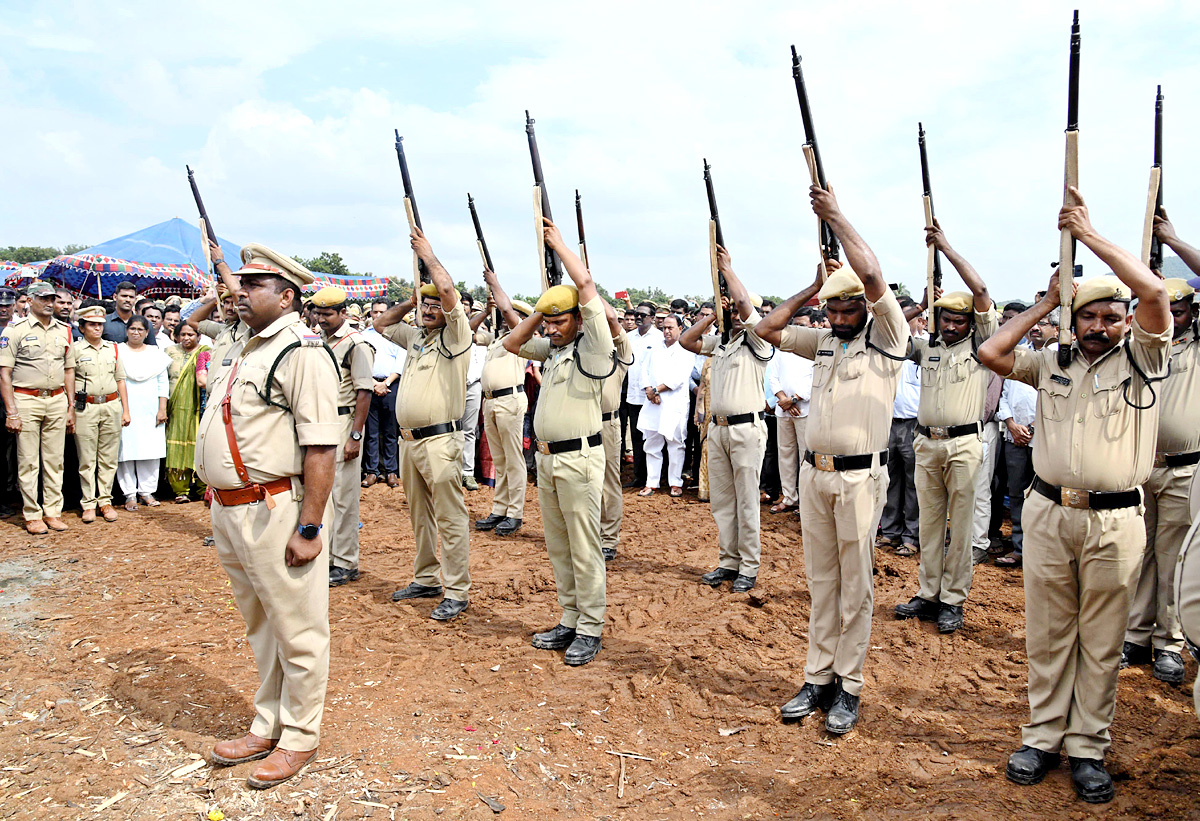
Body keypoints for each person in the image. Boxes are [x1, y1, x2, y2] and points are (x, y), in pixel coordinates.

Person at [978, 187, 1169, 804]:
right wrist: (1046, 303)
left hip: (1116, 522)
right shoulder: (1051, 361)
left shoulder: (1143, 357)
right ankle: (1041, 735)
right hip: (1049, 512)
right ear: (1074, 319)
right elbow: (990, 351)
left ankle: (1089, 746)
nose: (1099, 327)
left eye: (1110, 317)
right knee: (1050, 631)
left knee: (1103, 635)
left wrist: (1089, 238)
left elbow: (1156, 294)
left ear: (1125, 323)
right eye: (1088, 317)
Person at [757, 183, 910, 736]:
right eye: (835, 307)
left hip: (860, 479)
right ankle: (817, 676)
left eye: (850, 306)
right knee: (822, 582)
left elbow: (872, 277)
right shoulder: (822, 341)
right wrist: (811, 288)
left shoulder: (888, 337)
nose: (843, 314)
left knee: (856, 587)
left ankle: (850, 684)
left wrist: (837, 217)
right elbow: (767, 329)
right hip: (815, 475)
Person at [199, 242, 338, 789]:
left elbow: (321, 447)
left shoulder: (300, 351)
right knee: (261, 627)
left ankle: (300, 735)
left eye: (253, 284)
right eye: (241, 282)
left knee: (299, 630)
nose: (240, 291)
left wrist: (309, 527)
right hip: (232, 511)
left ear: (286, 297)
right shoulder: (247, 349)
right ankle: (269, 720)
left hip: (275, 508)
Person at [501, 217, 614, 666]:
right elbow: (511, 343)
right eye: (547, 323)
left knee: (584, 545)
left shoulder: (593, 346)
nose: (551, 328)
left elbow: (585, 284)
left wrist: (560, 245)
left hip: (580, 460)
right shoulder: (554, 348)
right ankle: (570, 616)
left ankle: (590, 626)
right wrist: (543, 310)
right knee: (558, 544)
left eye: (559, 321)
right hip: (547, 461)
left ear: (579, 322)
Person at [892, 221, 996, 634]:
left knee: (963, 525)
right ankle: (928, 593)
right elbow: (889, 332)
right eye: (945, 319)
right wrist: (919, 306)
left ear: (970, 323)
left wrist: (946, 248)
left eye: (958, 320)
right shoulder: (926, 346)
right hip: (927, 443)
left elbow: (982, 293)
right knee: (931, 524)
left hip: (964, 444)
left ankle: (954, 598)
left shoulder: (980, 344)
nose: (951, 326)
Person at [376, 228, 472, 622]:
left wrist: (429, 259)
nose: (430, 310)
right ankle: (427, 578)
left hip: (440, 441)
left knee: (450, 518)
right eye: (424, 304)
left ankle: (458, 590)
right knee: (420, 516)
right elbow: (382, 323)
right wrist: (411, 299)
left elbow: (448, 291)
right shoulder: (416, 336)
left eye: (435, 305)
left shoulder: (456, 335)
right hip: (409, 442)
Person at [1122, 263, 1199, 686]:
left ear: (1193, 311)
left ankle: (1168, 643)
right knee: (1140, 553)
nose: (1174, 318)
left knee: (1173, 559)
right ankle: (1135, 635)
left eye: (1181, 310)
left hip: (1184, 469)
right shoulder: (1141, 346)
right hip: (1137, 465)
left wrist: (1168, 241)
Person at [680, 252, 773, 595]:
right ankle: (728, 561)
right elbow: (686, 341)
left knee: (747, 501)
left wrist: (728, 271)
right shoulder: (721, 342)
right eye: (730, 310)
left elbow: (747, 305)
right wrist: (711, 317)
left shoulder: (759, 342)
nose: (735, 314)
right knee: (722, 501)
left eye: (737, 310)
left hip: (746, 429)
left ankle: (749, 566)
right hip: (717, 429)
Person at [0, 281, 77, 534]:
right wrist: (12, 411)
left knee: (55, 460)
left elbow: (69, 371)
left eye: (51, 298)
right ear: (30, 300)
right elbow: (5, 374)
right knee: (28, 460)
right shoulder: (14, 331)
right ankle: (32, 514)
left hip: (56, 399)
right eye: (43, 298)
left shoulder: (63, 330)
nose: (49, 303)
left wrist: (70, 406)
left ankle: (52, 511)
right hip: (26, 398)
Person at [310, 287, 374, 588]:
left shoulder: (356, 344)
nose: (321, 318)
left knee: (344, 498)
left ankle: (346, 562)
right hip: (319, 420)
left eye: (327, 313)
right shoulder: (316, 341)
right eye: (318, 313)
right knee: (322, 495)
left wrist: (355, 435)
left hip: (343, 420)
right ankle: (329, 555)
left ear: (342, 313)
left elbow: (364, 392)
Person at [474, 272, 534, 537]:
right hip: (491, 401)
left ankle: (515, 512)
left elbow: (511, 313)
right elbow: (467, 332)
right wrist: (486, 311)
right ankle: (500, 509)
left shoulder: (522, 337)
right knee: (500, 460)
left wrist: (495, 285)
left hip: (510, 399)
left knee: (513, 459)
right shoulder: (497, 339)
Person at [72, 304, 130, 523]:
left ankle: (105, 500)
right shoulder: (75, 350)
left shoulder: (113, 349)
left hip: (110, 405)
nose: (97, 328)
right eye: (92, 325)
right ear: (82, 327)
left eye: (100, 324)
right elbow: (69, 379)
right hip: (85, 407)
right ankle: (88, 503)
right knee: (87, 458)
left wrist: (126, 410)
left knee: (108, 457)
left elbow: (120, 380)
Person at [878, 298, 921, 556]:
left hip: (915, 425)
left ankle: (911, 537)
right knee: (890, 480)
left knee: (914, 484)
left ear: (919, 319)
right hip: (887, 422)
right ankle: (891, 532)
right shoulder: (885, 347)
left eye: (909, 316)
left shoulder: (925, 348)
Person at [637, 313, 694, 497]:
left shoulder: (686, 350)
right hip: (653, 403)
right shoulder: (654, 348)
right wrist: (649, 390)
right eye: (664, 328)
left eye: (671, 328)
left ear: (680, 328)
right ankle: (651, 482)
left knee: (675, 443)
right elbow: (643, 371)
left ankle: (675, 483)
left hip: (673, 403)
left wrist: (656, 390)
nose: (667, 331)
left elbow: (678, 378)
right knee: (652, 443)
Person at [117, 316, 169, 509]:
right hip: (126, 406)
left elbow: (163, 383)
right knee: (126, 451)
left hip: (151, 407)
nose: (136, 332)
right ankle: (129, 494)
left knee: (150, 450)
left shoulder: (156, 354)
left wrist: (162, 408)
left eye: (140, 329)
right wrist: (122, 409)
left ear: (147, 333)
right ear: (127, 330)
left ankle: (147, 492)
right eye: (132, 328)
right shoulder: (118, 351)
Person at [766, 307, 814, 515]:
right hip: (783, 409)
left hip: (805, 409)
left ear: (812, 326)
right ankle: (789, 497)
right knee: (785, 454)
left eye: (802, 325)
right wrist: (783, 399)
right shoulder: (784, 348)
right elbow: (772, 377)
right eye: (795, 325)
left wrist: (794, 399)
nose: (798, 329)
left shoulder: (815, 349)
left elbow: (816, 380)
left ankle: (806, 501)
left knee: (806, 456)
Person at [600, 300, 634, 560]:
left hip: (607, 423)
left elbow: (612, 318)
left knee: (608, 483)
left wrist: (587, 286)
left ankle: (608, 538)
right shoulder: (583, 350)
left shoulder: (619, 351)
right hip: (581, 424)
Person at [359, 300, 404, 488]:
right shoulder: (363, 335)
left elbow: (400, 361)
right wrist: (373, 383)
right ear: (370, 314)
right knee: (371, 430)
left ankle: (391, 471)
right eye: (375, 312)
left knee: (390, 431)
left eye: (382, 312)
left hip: (391, 384)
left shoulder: (398, 334)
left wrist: (385, 383)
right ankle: (372, 471)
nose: (378, 315)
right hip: (369, 384)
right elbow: (360, 362)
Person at [165, 323, 210, 503]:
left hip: (199, 406)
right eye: (182, 334)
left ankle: (201, 488)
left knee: (199, 445)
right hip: (174, 405)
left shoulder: (206, 352)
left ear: (199, 336)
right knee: (175, 445)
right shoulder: (168, 352)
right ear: (175, 336)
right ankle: (180, 491)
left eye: (190, 334)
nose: (186, 338)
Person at [623, 302, 663, 488]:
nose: (638, 317)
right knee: (637, 437)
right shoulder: (628, 337)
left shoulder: (659, 338)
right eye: (636, 314)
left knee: (654, 436)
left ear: (653, 318)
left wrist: (655, 390)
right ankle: (639, 477)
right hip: (633, 395)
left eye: (643, 315)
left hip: (653, 396)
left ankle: (657, 477)